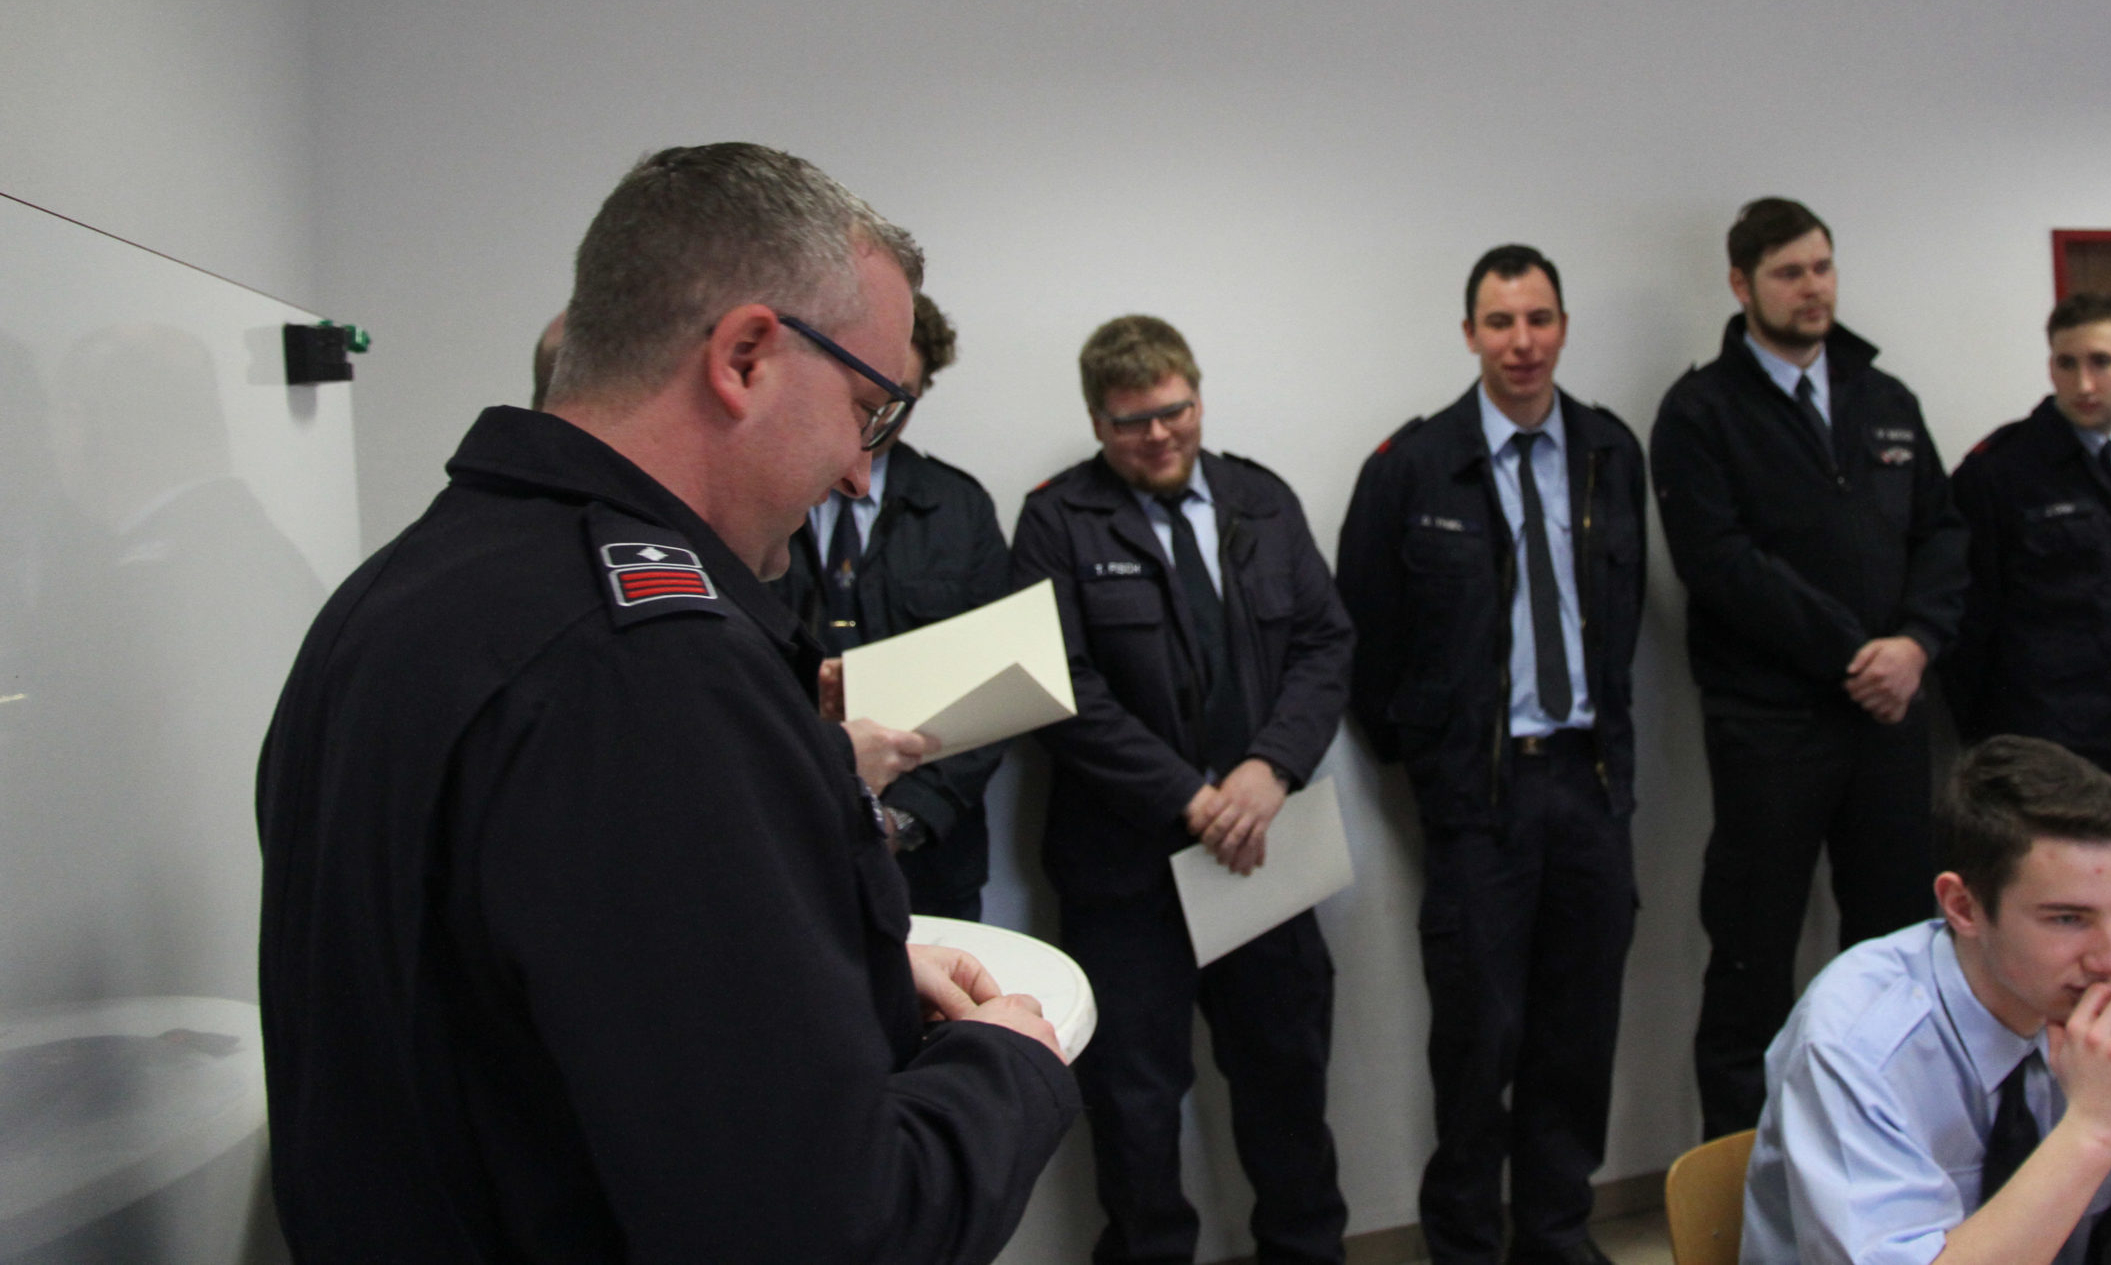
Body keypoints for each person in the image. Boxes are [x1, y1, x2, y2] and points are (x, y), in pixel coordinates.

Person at [257, 144, 1076, 1265]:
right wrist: (1010, 1064)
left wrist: (844, 977)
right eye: (867, 409)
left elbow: (522, 1003)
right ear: (745, 357)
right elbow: (826, 1231)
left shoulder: (403, 591)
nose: (857, 470)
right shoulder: (648, 668)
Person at [1012, 315, 1352, 1265]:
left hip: (1262, 856)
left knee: (1289, 1088)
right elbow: (1060, 686)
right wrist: (1188, 798)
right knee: (1135, 1112)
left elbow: (1326, 642)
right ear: (1097, 421)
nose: (1159, 435)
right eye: (1132, 421)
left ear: (1198, 397)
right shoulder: (1056, 522)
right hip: (1126, 876)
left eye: (1175, 410)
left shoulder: (1262, 500)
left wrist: (1269, 766)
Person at [1337, 245, 1648, 1265]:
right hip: (1481, 797)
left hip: (1589, 786)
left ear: (1563, 327)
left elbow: (1624, 614)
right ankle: (1465, 1245)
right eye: (1501, 322)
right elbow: (1363, 638)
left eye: (1539, 319)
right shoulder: (1411, 466)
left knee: (1577, 1038)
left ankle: (1557, 1235)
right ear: (1469, 332)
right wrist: (1430, 760)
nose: (1522, 343)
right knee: (1477, 1044)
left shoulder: (1610, 452)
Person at [1742, 736, 2111, 1265]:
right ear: (1963, 907)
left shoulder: (2098, 1002)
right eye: (2068, 919)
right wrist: (2093, 1129)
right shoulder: (1854, 1040)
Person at [1650, 196, 1968, 1138]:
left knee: (1901, 951)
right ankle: (1741, 1185)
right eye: (1789, 272)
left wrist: (1914, 644)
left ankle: (1898, 1156)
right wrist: (1852, 651)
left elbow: (1943, 535)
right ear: (1741, 284)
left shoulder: (1885, 398)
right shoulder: (1701, 411)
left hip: (1890, 719)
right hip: (1770, 727)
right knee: (1753, 957)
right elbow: (1721, 562)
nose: (1813, 287)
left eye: (1822, 267)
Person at [773, 293, 1013, 919]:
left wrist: (903, 819)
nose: (878, 415)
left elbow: (998, 687)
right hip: (778, 828)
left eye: (898, 398)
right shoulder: (764, 494)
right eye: (867, 393)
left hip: (929, 852)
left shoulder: (959, 508)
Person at [1947, 292, 2111, 789]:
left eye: (2101, 362)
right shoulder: (2001, 470)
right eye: (2066, 364)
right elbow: (1968, 623)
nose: (2084, 384)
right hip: (2047, 744)